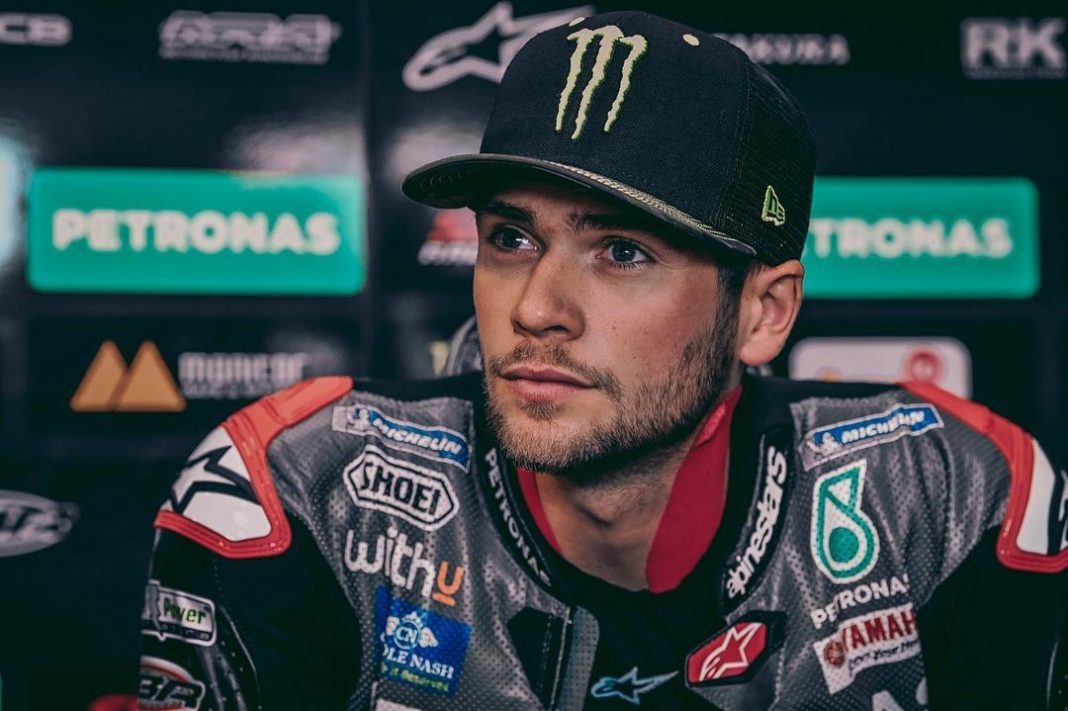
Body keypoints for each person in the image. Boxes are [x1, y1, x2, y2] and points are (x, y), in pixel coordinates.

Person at [136, 11, 1067, 711]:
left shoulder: (956, 499)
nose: (536, 308)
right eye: (510, 237)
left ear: (763, 312)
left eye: (622, 251)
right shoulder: (299, 494)